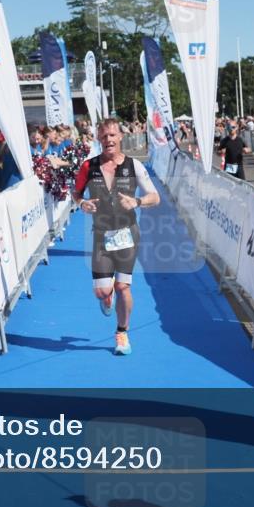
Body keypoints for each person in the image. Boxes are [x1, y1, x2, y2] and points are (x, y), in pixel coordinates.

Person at [73, 119, 160, 356]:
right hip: (101, 235)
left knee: (123, 286)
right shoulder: (88, 166)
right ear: (98, 140)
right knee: (102, 292)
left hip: (127, 234)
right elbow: (76, 192)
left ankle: (122, 333)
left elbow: (155, 197)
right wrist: (82, 203)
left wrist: (137, 201)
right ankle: (107, 296)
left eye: (112, 135)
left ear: (121, 136)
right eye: (104, 136)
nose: (108, 140)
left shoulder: (134, 166)